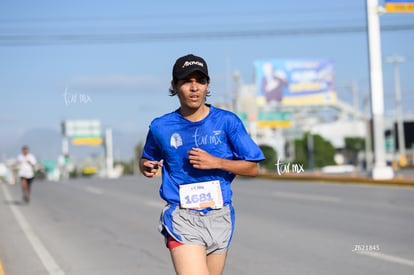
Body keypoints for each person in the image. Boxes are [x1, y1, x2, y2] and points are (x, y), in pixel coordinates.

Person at [139, 54, 265, 275]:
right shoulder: (161, 127)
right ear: (174, 86)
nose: (194, 88)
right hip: (182, 216)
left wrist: (216, 162)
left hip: (220, 216)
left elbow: (253, 168)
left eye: (200, 81)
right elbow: (147, 158)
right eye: (187, 81)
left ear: (208, 85)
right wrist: (146, 166)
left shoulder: (227, 122)